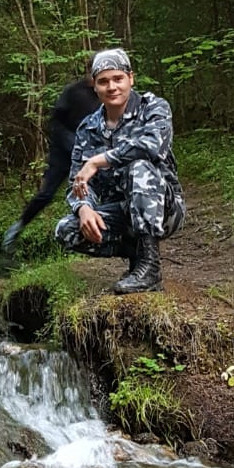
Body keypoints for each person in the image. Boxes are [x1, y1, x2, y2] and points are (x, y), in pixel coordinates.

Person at [53, 47, 185, 294]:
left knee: (139, 168)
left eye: (118, 79)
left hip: (164, 209)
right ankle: (136, 256)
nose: (111, 87)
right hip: (121, 213)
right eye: (103, 81)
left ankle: (150, 266)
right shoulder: (88, 128)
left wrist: (99, 160)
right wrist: (84, 208)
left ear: (130, 78)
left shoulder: (153, 107)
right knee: (66, 230)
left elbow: (153, 147)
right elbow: (78, 181)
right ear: (95, 86)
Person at [2, 76, 100, 252]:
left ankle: (93, 235)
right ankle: (17, 228)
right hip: (62, 153)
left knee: (95, 190)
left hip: (90, 154)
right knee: (46, 194)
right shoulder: (73, 91)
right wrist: (71, 142)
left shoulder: (101, 95)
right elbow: (55, 122)